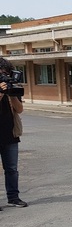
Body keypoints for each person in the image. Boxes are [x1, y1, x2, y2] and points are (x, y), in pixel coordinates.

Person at [0, 58, 27, 209]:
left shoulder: (11, 87)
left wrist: (11, 94)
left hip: (10, 133)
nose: (3, 77)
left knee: (11, 169)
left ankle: (13, 197)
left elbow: (20, 109)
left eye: (5, 73)